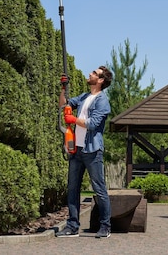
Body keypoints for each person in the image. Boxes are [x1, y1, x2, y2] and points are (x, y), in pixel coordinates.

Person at [56, 66, 113, 239]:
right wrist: (63, 88)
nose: (90, 74)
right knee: (72, 189)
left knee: (99, 188)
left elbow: (93, 124)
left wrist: (74, 119)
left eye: (95, 73)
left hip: (92, 150)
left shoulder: (102, 100)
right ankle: (72, 226)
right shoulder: (84, 97)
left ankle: (105, 226)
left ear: (101, 80)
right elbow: (63, 105)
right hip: (76, 150)